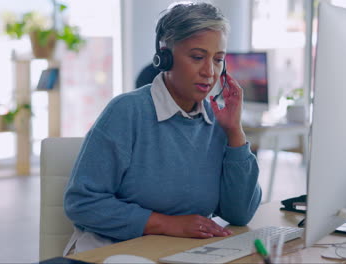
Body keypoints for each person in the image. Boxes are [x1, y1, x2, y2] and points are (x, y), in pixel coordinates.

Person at [63, 2, 262, 255]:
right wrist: (166, 223)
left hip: (181, 252)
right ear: (164, 56)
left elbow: (240, 213)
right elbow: (81, 203)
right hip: (113, 250)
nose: (209, 72)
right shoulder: (126, 112)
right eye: (198, 57)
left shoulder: (218, 122)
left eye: (218, 59)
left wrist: (235, 132)